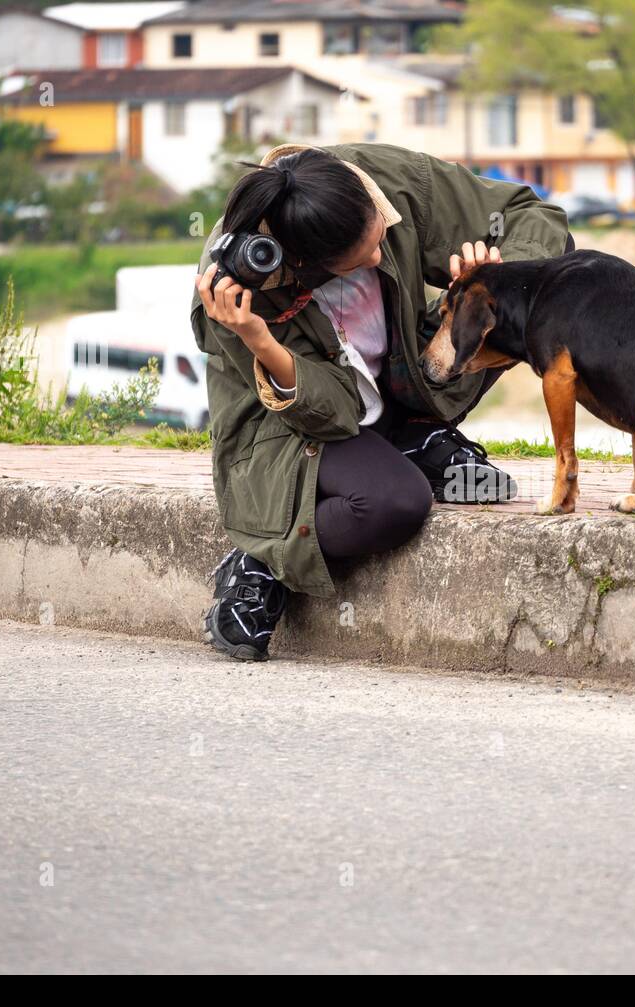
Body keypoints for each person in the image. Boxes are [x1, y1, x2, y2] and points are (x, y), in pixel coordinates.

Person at [192, 143, 571, 661]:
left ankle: (413, 435)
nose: (377, 257)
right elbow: (332, 411)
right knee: (395, 504)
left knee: (505, 308)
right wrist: (261, 341)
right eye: (361, 259)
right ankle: (259, 557)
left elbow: (535, 215)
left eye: (381, 237)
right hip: (294, 425)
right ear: (307, 264)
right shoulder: (236, 284)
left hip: (397, 382)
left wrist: (493, 272)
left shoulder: (382, 180)